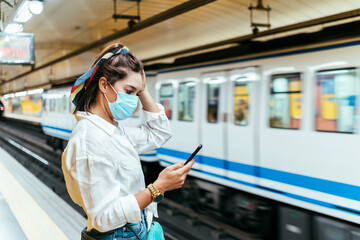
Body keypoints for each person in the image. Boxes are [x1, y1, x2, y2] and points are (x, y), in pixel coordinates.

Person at [61, 43, 195, 240]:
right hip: (119, 235)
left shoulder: (112, 129)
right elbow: (102, 218)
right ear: (104, 85)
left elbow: (159, 132)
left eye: (136, 93)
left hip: (130, 231)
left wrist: (142, 88)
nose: (134, 102)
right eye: (130, 91)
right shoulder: (90, 139)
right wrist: (157, 187)